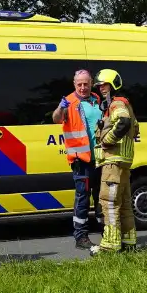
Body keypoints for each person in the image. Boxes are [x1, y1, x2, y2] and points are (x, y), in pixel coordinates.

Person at [52, 69, 103, 250]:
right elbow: (56, 119)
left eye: (86, 84)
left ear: (91, 84)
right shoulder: (69, 102)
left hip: (99, 157)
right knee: (83, 197)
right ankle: (81, 237)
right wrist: (61, 107)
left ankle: (106, 233)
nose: (83, 87)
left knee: (101, 196)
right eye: (79, 84)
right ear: (74, 85)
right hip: (81, 159)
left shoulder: (97, 99)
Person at [92, 69, 140, 255]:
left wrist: (106, 140)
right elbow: (134, 128)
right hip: (123, 163)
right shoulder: (124, 104)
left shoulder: (117, 103)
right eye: (99, 86)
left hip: (113, 162)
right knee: (125, 203)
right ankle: (128, 242)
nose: (101, 88)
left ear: (113, 85)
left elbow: (124, 123)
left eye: (104, 85)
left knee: (109, 202)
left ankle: (110, 245)